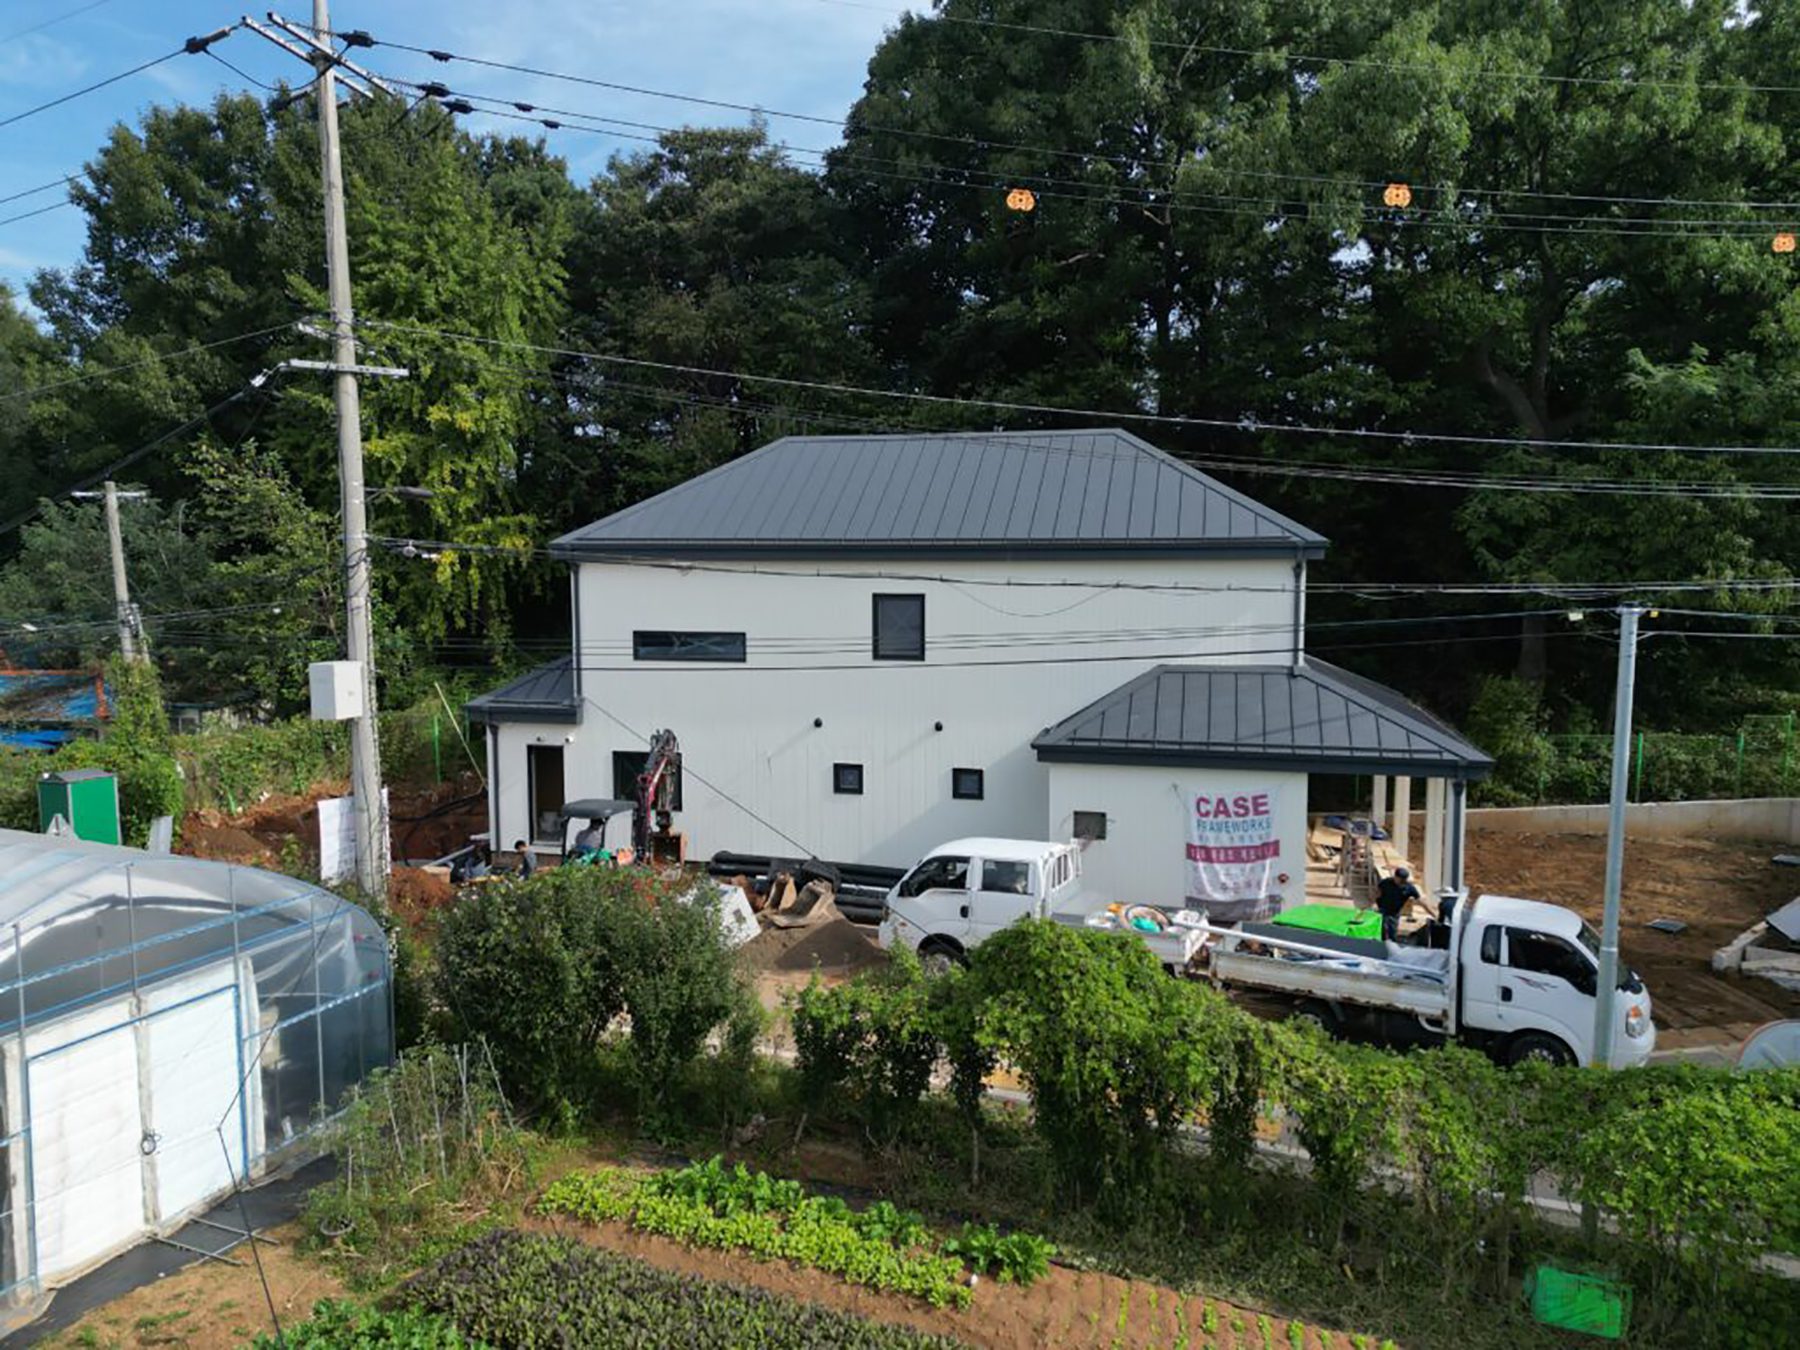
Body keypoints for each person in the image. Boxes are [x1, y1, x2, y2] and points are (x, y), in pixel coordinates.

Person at [1374, 865, 1420, 942]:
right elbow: (1377, 893)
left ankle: (1392, 945)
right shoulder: (1386, 883)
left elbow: (1420, 900)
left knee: (1392, 932)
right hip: (1382, 910)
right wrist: (1374, 903)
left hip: (1394, 913)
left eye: (1403, 880)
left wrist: (1432, 913)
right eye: (1400, 880)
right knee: (1382, 931)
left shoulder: (1408, 888)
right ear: (1395, 877)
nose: (1401, 882)